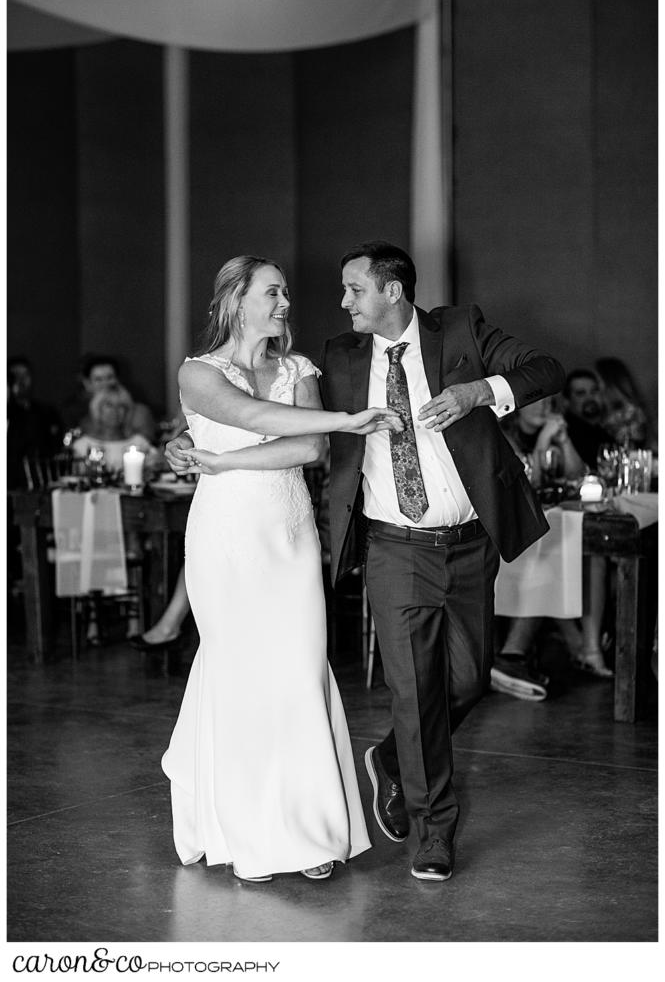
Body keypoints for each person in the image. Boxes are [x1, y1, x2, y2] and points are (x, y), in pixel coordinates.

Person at [167, 240, 565, 883]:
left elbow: (545, 369)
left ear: (392, 292)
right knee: (409, 691)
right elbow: (239, 415)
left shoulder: (457, 332)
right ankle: (432, 833)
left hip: (464, 540)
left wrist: (476, 394)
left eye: (353, 289)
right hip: (387, 546)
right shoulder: (341, 356)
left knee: (465, 679)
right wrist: (186, 441)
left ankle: (385, 762)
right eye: (280, 291)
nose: (337, 301)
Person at [161, 254, 403, 884]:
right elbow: (256, 419)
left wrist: (222, 462)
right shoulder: (198, 372)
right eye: (272, 292)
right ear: (235, 300)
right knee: (241, 677)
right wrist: (349, 418)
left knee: (299, 675)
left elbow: (310, 448)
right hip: (226, 538)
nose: (285, 301)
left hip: (289, 533)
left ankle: (309, 831)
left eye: (286, 292)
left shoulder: (297, 368)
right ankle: (248, 835)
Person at [490, 396, 610, 701]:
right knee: (558, 554)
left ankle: (585, 647)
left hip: (542, 529)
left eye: (549, 402)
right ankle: (519, 654)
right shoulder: (500, 432)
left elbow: (580, 477)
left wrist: (565, 440)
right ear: (518, 406)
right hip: (505, 538)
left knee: (588, 554)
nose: (545, 408)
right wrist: (544, 442)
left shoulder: (555, 430)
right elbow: (527, 485)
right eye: (536, 401)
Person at [63, 354, 158, 442]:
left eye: (110, 377)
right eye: (98, 379)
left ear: (118, 379)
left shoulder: (140, 412)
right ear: (87, 384)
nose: (106, 384)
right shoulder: (77, 413)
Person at [72, 385, 158, 473]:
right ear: (98, 409)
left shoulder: (140, 443)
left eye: (121, 406)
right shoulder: (83, 445)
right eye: (109, 405)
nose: (115, 411)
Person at [7, 356, 63, 488]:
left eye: (25, 375)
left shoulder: (46, 412)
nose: (21, 381)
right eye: (15, 376)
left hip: (41, 479)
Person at [595, 356, 653, 450]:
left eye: (598, 379)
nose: (595, 384)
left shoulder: (630, 412)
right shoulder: (606, 407)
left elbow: (630, 446)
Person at [562, 369, 614, 469]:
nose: (590, 398)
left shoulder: (603, 430)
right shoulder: (565, 432)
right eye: (581, 393)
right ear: (566, 401)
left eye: (594, 391)